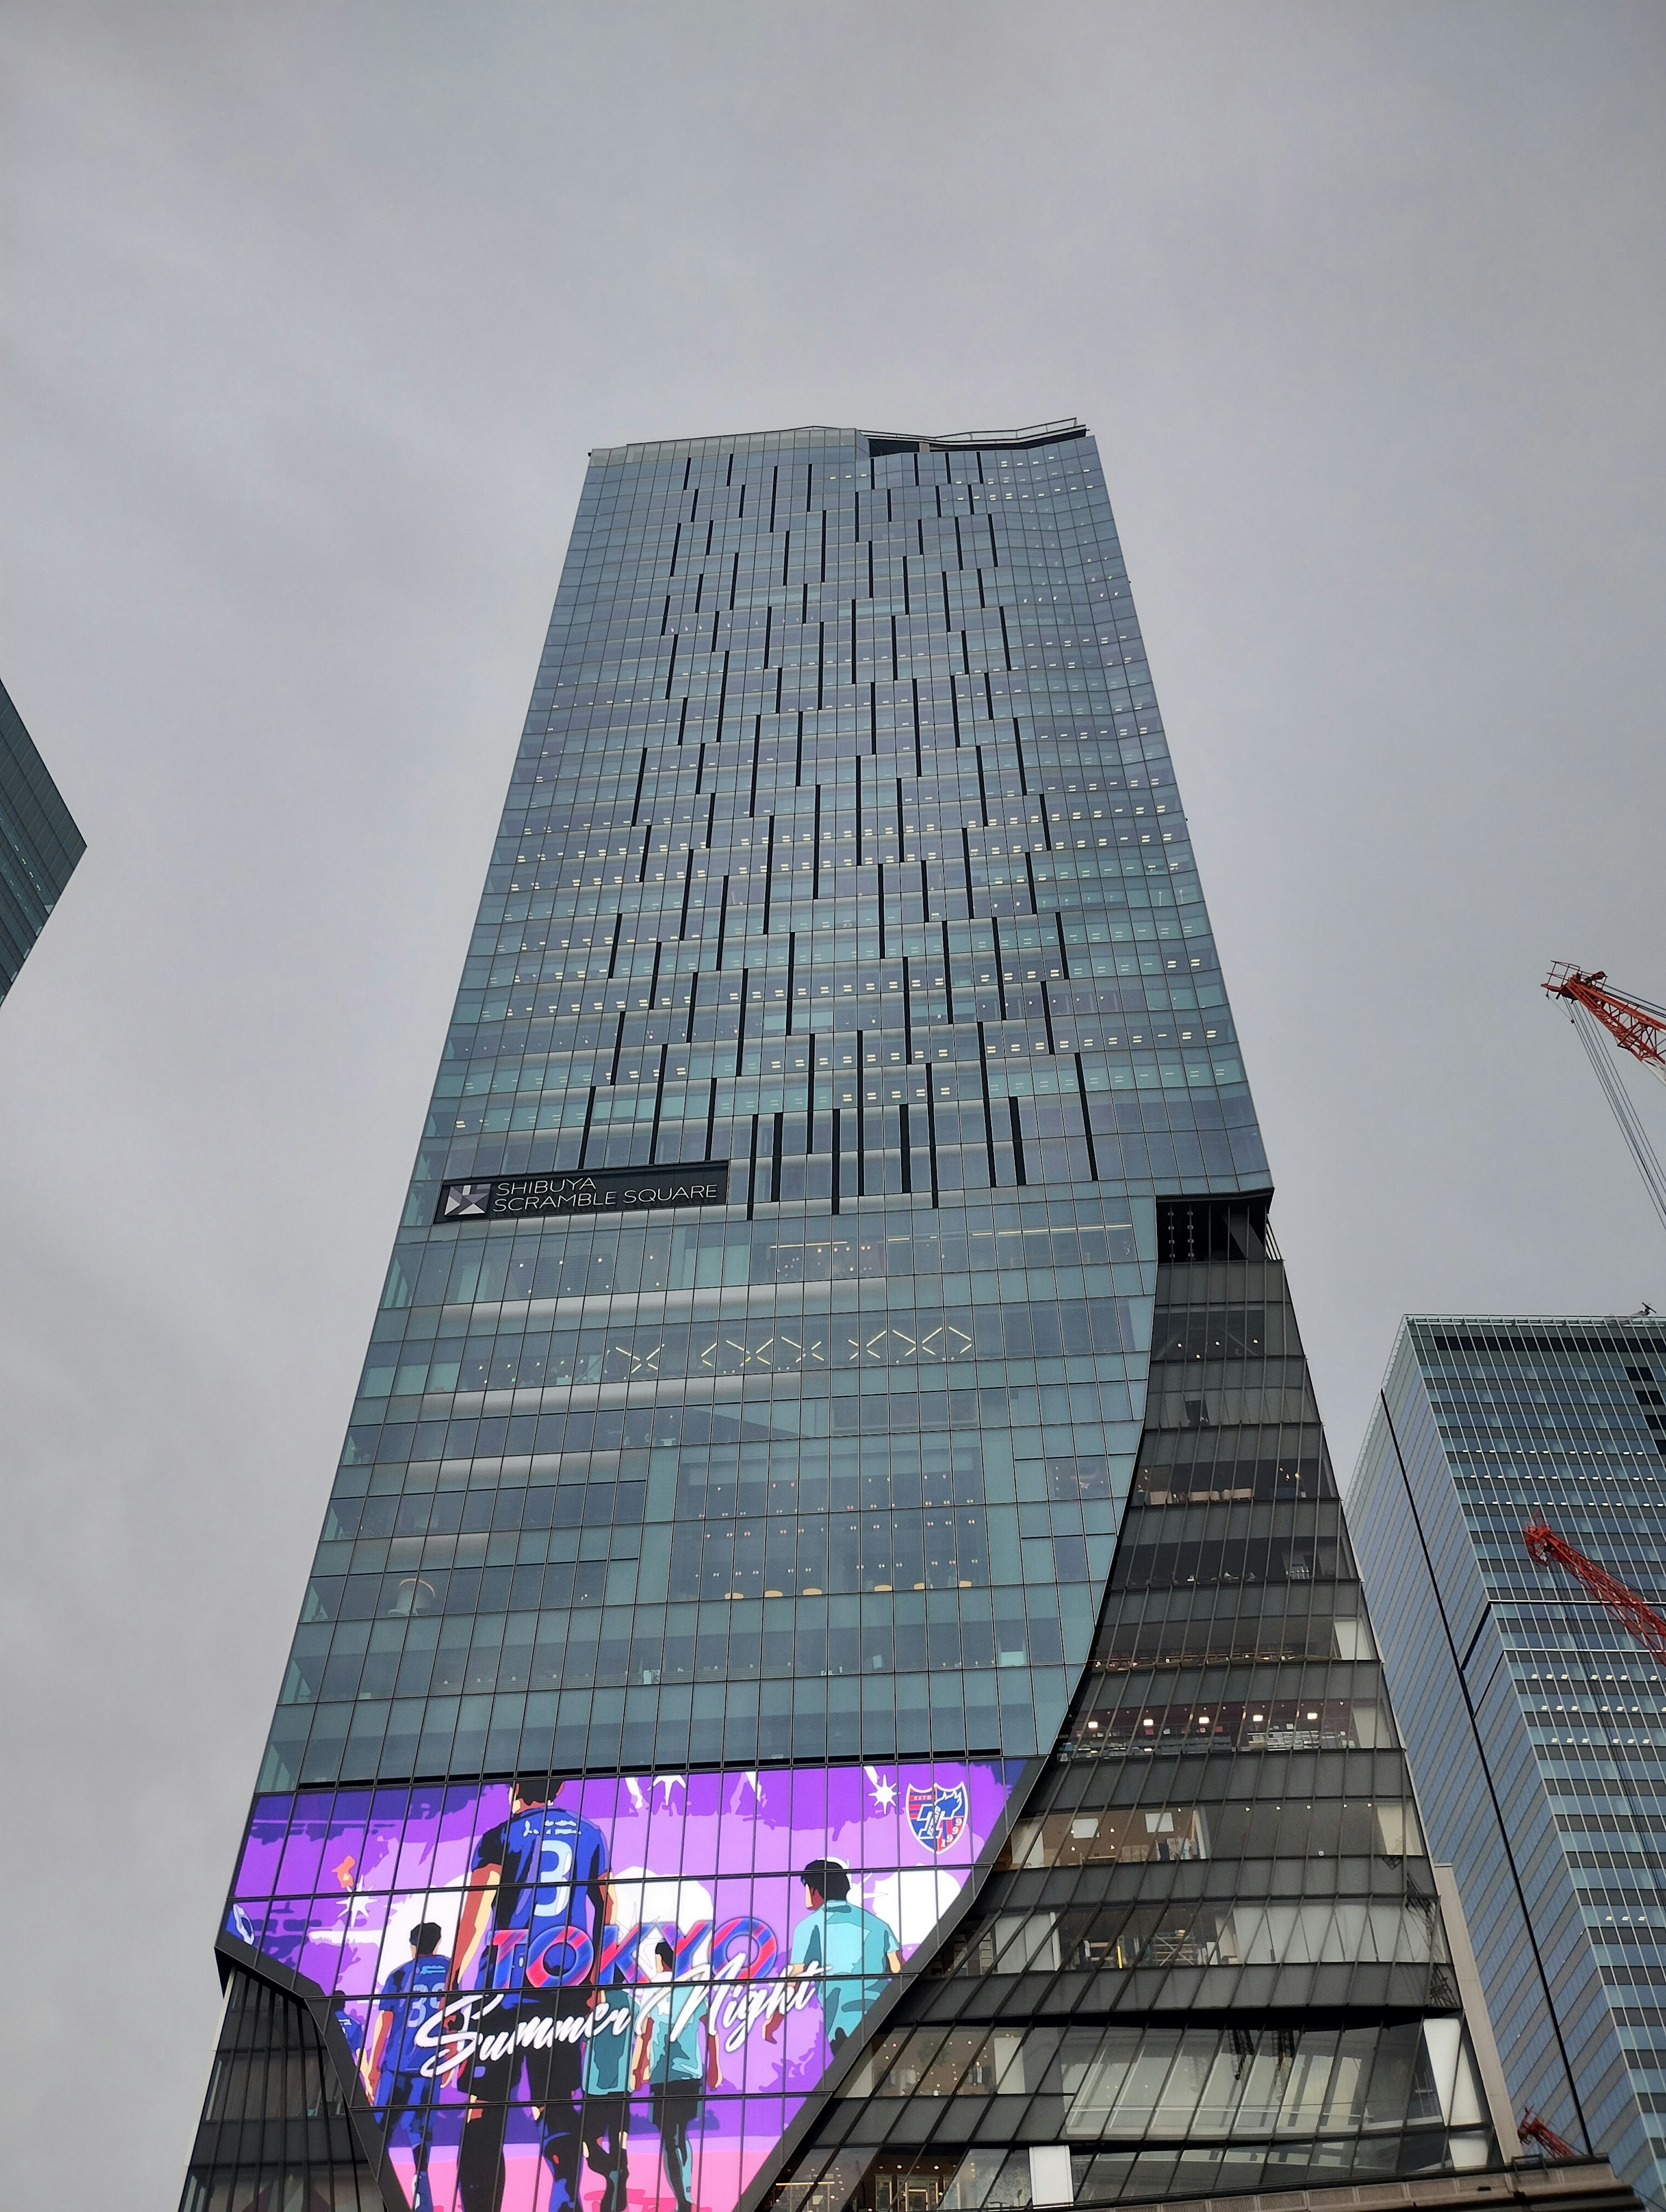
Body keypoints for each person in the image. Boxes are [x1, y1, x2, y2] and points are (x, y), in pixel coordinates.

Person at [449, 1776, 616, 2212]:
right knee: (557, 2102)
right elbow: (609, 1903)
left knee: (485, 2105)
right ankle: (565, 2198)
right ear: (559, 1790)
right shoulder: (590, 1833)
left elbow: (478, 1907)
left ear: (516, 1789)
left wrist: (452, 1982)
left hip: (504, 1985)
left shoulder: (501, 1835)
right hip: (564, 1979)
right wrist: (596, 1973)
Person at [763, 1859, 902, 2055]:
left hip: (843, 2026)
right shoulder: (879, 1925)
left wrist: (775, 2019)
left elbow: (795, 1980)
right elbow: (901, 1972)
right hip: (884, 2019)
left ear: (814, 1890)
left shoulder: (809, 1927)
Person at [362, 1921, 452, 2212]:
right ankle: (420, 2182)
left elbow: (384, 2023)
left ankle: (372, 2186)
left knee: (380, 2130)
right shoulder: (452, 1971)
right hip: (429, 2066)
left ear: (413, 1944)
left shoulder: (400, 1974)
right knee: (421, 2130)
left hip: (396, 2064)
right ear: (437, 1943)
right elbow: (454, 2017)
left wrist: (373, 2066)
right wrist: (452, 2054)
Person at [631, 1937, 720, 2212]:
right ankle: (686, 2194)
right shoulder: (692, 1990)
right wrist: (715, 2065)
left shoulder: (652, 1991)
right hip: (690, 2074)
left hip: (664, 2076)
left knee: (671, 2139)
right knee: (680, 2137)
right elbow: (711, 2029)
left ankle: (684, 2197)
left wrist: (638, 2069)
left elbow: (644, 2035)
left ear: (660, 1960)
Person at [580, 1927, 635, 2212]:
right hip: (621, 2086)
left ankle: (610, 2174)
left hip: (595, 2085)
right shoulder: (632, 2004)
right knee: (619, 2141)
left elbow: (580, 2039)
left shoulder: (593, 2004)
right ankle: (617, 2174)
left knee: (588, 2143)